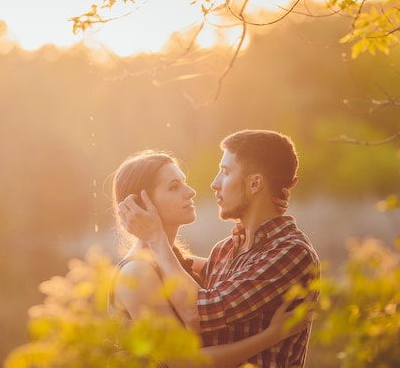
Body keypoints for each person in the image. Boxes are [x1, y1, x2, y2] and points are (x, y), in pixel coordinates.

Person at [118, 130, 320, 367]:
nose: (213, 184)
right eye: (174, 186)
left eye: (225, 172)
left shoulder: (290, 252)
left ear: (255, 183)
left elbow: (198, 312)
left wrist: (155, 237)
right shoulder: (224, 251)